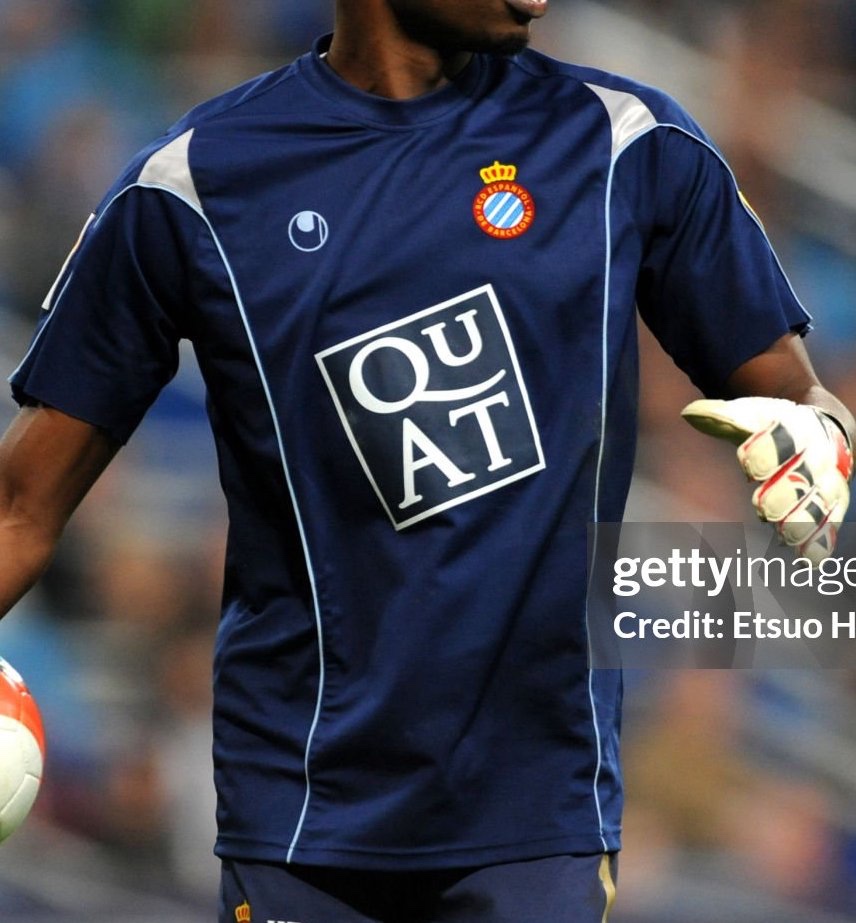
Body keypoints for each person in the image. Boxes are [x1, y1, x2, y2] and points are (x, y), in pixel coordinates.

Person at [1, 1, 853, 920]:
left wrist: (818, 433)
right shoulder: (195, 184)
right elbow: (22, 505)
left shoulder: (623, 144)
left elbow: (796, 389)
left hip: (540, 817)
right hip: (301, 817)